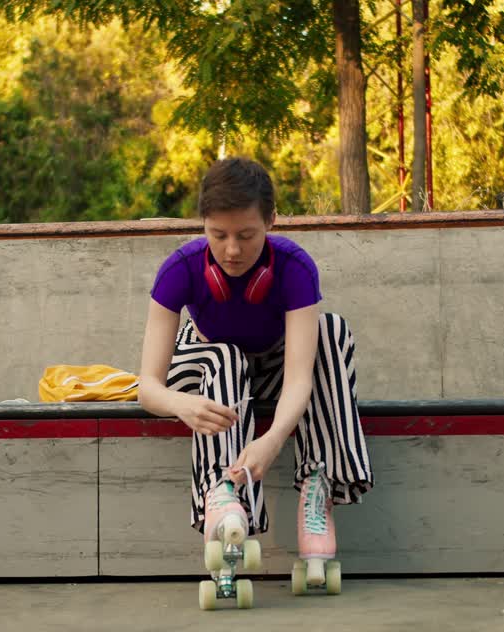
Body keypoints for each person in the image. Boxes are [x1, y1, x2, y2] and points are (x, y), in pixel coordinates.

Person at [137, 157, 373, 588]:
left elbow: (300, 376)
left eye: (246, 236)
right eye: (218, 235)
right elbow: (147, 387)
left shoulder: (295, 267)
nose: (231, 250)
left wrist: (272, 440)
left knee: (332, 330)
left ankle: (317, 488)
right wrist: (179, 403)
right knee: (226, 355)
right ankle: (224, 493)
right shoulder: (179, 270)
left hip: (272, 371)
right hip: (206, 374)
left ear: (271, 222)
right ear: (202, 225)